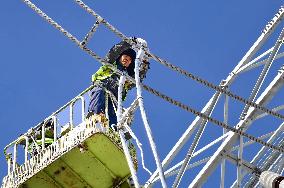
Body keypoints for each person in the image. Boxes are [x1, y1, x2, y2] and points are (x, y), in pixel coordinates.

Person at [86, 41, 138, 130]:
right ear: (120, 56)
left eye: (129, 59)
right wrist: (127, 43)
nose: (127, 59)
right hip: (102, 87)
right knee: (99, 93)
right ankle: (95, 116)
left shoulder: (126, 78)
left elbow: (138, 77)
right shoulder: (110, 64)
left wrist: (144, 63)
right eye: (125, 56)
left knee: (113, 112)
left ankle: (113, 129)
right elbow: (114, 51)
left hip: (114, 97)